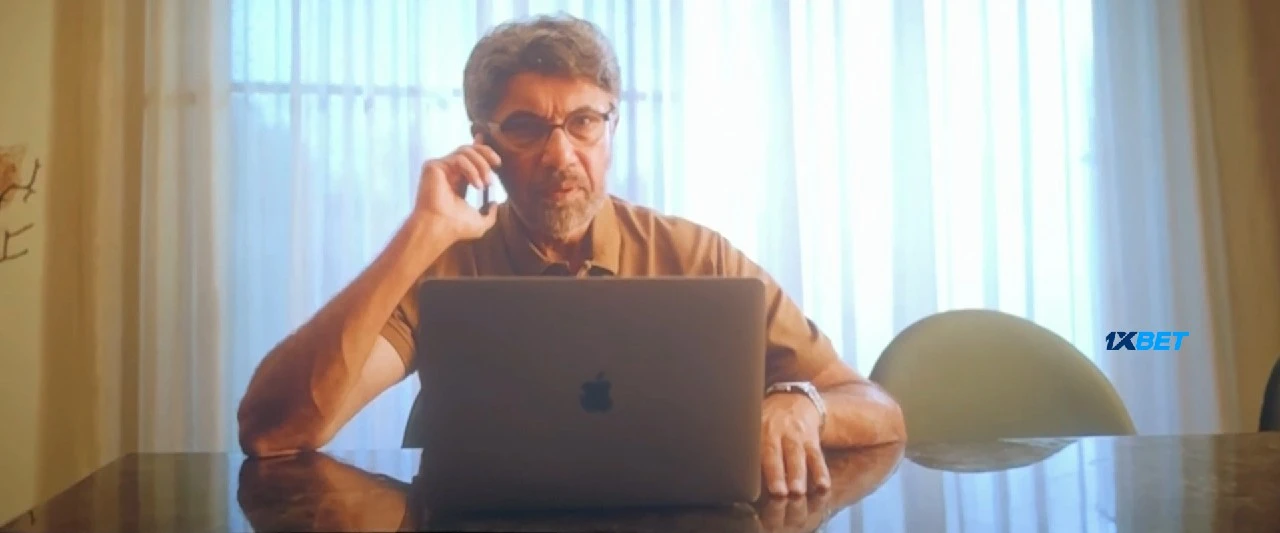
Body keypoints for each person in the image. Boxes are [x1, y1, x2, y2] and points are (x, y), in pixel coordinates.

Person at [236, 13, 906, 498]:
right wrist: (419, 234)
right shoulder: (444, 267)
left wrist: (805, 403)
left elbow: (876, 407)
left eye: (584, 122)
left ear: (612, 125)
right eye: (527, 127)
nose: (561, 155)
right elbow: (276, 433)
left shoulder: (695, 254)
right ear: (483, 142)